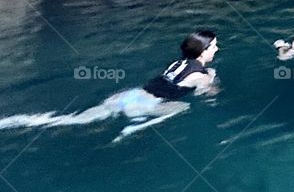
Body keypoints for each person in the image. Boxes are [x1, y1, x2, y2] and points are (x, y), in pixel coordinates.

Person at [0, 29, 219, 141]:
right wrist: (212, 78)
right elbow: (207, 96)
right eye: (214, 46)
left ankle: (16, 121)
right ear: (203, 51)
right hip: (146, 106)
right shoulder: (202, 75)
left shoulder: (176, 63)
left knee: (71, 119)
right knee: (184, 108)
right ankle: (134, 127)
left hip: (131, 95)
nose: (217, 49)